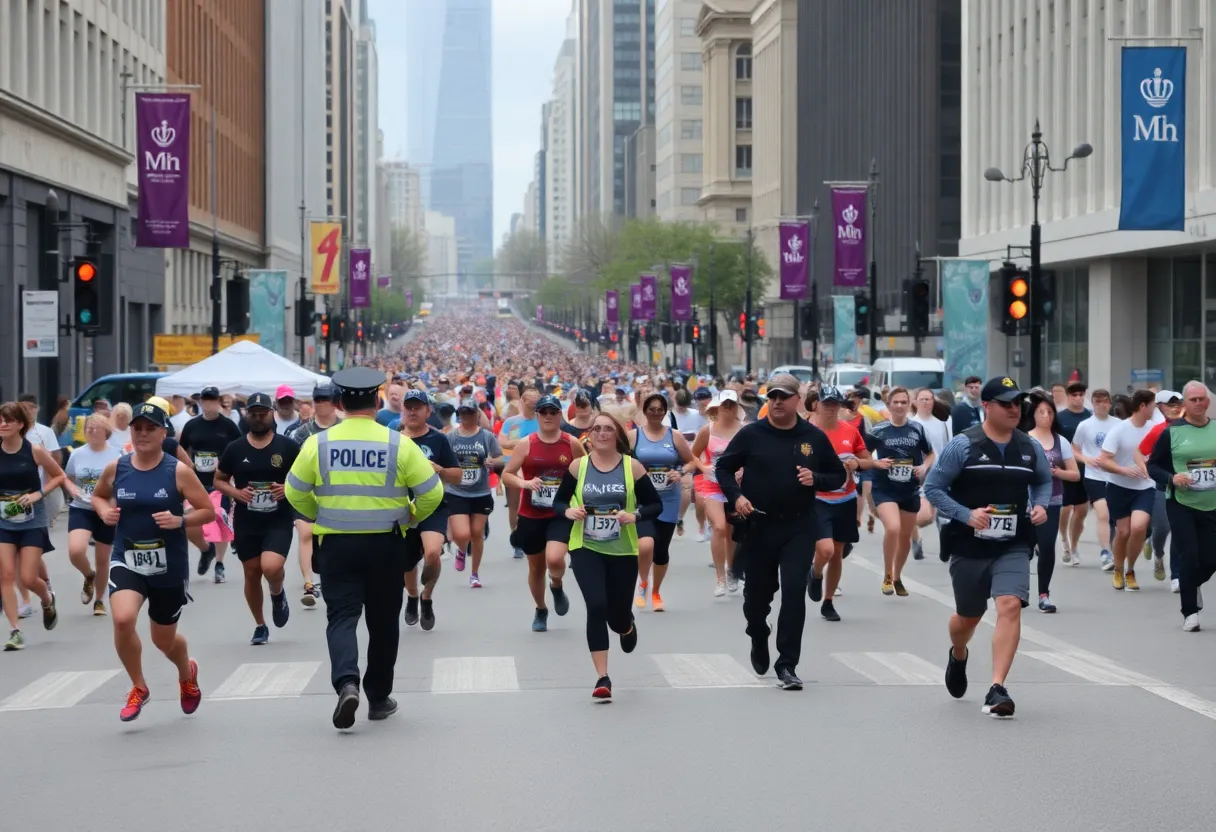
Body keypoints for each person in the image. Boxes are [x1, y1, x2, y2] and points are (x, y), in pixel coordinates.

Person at [285, 367, 444, 730]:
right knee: (384, 622)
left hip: (336, 545)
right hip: (386, 545)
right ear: (376, 401)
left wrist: (318, 513)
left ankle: (346, 682)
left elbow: (294, 491)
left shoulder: (318, 443)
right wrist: (411, 517)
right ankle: (378, 697)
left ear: (340, 403)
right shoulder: (397, 443)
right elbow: (432, 492)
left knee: (341, 618)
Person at [924, 377, 1052, 718]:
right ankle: (959, 652)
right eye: (1007, 403)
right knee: (968, 617)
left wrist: (1040, 505)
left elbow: (1042, 480)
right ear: (987, 406)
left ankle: (997, 688)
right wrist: (966, 515)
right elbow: (934, 488)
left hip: (1014, 542)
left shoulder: (1029, 447)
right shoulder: (963, 445)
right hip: (968, 544)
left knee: (1009, 604)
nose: (1015, 410)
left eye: (1018, 404)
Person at [715, 373, 847, 690]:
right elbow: (723, 468)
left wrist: (816, 478)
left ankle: (787, 664)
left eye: (783, 396)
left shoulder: (812, 437)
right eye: (772, 396)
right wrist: (737, 496)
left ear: (796, 401)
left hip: (798, 526)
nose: (776, 402)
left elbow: (837, 475)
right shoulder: (753, 434)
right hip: (759, 525)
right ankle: (758, 632)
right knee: (756, 601)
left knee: (792, 593)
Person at [91, 402, 214, 721]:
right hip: (127, 557)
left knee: (164, 640)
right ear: (130, 431)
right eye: (137, 428)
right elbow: (98, 495)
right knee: (122, 619)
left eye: (150, 428)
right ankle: (139, 686)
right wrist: (104, 511)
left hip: (168, 565)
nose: (143, 433)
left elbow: (207, 510)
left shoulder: (178, 471)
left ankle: (187, 673)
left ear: (164, 433)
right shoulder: (118, 468)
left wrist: (180, 519)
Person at [553, 413, 663, 700]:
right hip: (585, 547)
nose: (601, 434)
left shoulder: (633, 467)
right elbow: (560, 501)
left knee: (616, 616)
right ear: (589, 434)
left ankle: (626, 626)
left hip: (623, 550)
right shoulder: (579, 467)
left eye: (608, 429)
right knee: (596, 605)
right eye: (597, 429)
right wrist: (567, 511)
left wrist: (634, 515)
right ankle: (603, 677)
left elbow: (655, 505)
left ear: (617, 435)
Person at [215, 393, 301, 646]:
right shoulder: (236, 448)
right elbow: (218, 480)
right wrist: (236, 493)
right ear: (247, 415)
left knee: (271, 567)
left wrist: (287, 488)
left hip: (278, 518)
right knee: (251, 572)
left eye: (262, 412)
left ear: (272, 413)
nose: (258, 417)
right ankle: (260, 625)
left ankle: (277, 593)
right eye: (253, 413)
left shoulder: (286, 447)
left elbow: (303, 478)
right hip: (247, 520)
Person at [501, 393, 584, 631]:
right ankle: (540, 608)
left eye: (553, 412)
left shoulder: (571, 443)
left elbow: (585, 472)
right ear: (537, 415)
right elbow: (507, 474)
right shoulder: (526, 443)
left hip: (560, 513)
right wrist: (524, 484)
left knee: (555, 559)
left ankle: (556, 584)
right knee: (536, 567)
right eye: (544, 412)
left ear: (560, 415)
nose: (548, 416)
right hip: (531, 514)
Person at [1146, 381, 1216, 632]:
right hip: (1181, 503)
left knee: (1210, 559)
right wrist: (1172, 478)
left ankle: (1191, 584)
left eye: (1202, 399)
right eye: (1193, 399)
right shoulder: (1172, 432)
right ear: (1185, 404)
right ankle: (1190, 612)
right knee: (1190, 555)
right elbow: (1152, 466)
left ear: (1208, 402)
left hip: (1212, 505)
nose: (1198, 403)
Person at [0, 402, 65, 651]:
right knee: (5, 575)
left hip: (32, 519)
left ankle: (47, 599)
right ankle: (14, 630)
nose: (3, 424)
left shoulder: (34, 450)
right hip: (4, 519)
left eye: (8, 420)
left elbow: (58, 475)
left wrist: (38, 494)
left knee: (28, 578)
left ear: (20, 424)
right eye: (0, 420)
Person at [397, 390, 461, 630]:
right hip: (402, 508)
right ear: (403, 410)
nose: (413, 412)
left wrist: (440, 469)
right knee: (407, 563)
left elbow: (457, 476)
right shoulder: (393, 440)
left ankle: (427, 596)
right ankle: (413, 597)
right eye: (409, 407)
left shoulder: (438, 440)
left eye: (418, 407)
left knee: (433, 553)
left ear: (428, 411)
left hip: (432, 506)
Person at [810, 386, 875, 622]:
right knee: (825, 549)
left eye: (834, 404)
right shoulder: (808, 432)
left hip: (845, 498)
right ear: (816, 405)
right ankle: (816, 573)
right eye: (826, 404)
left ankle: (828, 602)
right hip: (817, 499)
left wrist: (856, 463)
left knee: (837, 552)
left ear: (839, 406)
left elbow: (867, 460)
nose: (830, 408)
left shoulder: (850, 430)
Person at [629, 393, 696, 611]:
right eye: (652, 409)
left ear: (665, 412)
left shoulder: (674, 436)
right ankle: (643, 583)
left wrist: (680, 472)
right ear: (645, 411)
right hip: (644, 500)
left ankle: (656, 591)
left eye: (660, 410)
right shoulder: (634, 436)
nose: (655, 413)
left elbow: (691, 461)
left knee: (661, 550)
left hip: (668, 498)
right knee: (645, 544)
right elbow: (621, 462)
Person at [868, 388, 935, 595]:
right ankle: (887, 575)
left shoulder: (917, 429)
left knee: (905, 536)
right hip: (885, 488)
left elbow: (930, 454)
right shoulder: (878, 430)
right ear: (888, 405)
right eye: (895, 402)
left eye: (903, 402)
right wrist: (876, 463)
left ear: (909, 405)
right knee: (894, 528)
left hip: (909, 488)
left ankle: (897, 577)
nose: (899, 406)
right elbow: (862, 453)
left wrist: (924, 467)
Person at [1021, 392, 1080, 612]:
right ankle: (1019, 590)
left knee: (1046, 546)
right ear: (1033, 414)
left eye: (1050, 412)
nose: (1046, 416)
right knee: (1024, 549)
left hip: (1052, 502)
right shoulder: (1024, 439)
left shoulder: (1060, 441)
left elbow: (1075, 475)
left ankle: (1044, 594)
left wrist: (1056, 472)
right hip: (1025, 502)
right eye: (1041, 412)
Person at [179, 386, 242, 583]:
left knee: (219, 521)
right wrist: (187, 469)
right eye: (204, 400)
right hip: (195, 483)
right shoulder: (192, 426)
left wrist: (228, 468)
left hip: (219, 483)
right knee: (189, 522)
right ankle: (206, 549)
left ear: (218, 402)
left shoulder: (228, 426)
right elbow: (182, 451)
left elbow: (239, 449)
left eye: (212, 400)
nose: (208, 404)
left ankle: (219, 564)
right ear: (200, 403)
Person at [1097, 389, 1157, 591]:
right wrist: (1124, 470)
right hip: (1118, 486)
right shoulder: (1120, 429)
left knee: (1139, 528)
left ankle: (1130, 570)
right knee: (1123, 532)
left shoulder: (1154, 429)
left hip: (1145, 487)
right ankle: (1118, 569)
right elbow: (1103, 461)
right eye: (1152, 405)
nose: (1154, 409)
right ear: (1142, 407)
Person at [290, 381, 343, 607]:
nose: (321, 404)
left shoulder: (345, 430)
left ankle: (335, 580)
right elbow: (291, 465)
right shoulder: (301, 433)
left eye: (325, 400)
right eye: (317, 400)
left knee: (334, 541)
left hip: (338, 494)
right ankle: (309, 584)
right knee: (306, 534)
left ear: (334, 403)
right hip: (307, 492)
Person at [63, 414, 122, 615]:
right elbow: (67, 477)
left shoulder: (117, 455)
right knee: (76, 550)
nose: (92, 431)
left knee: (103, 558)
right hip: (82, 507)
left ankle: (99, 599)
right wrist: (71, 488)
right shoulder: (77, 454)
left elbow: (123, 483)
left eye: (97, 427)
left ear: (106, 432)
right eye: (89, 427)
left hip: (107, 509)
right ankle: (89, 575)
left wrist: (115, 504)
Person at [445, 399, 503, 588]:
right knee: (462, 533)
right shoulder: (452, 437)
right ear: (459, 415)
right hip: (457, 491)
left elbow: (499, 457)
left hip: (480, 492)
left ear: (477, 415)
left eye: (470, 413)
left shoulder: (486, 436)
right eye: (463, 413)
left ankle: (475, 574)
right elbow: (444, 460)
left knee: (477, 533)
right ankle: (462, 549)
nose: (466, 416)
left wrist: (492, 463)